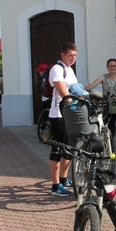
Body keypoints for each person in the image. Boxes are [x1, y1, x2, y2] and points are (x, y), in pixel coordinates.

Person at [48, 42, 78, 196]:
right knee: (58, 149)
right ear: (63, 55)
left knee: (69, 149)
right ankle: (55, 185)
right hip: (59, 115)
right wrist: (72, 101)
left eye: (75, 56)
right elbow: (63, 92)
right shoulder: (57, 69)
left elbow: (76, 89)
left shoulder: (70, 70)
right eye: (70, 55)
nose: (73, 58)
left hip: (70, 116)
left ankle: (64, 179)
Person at [84, 58, 116, 149]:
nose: (112, 68)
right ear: (107, 67)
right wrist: (82, 90)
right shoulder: (103, 77)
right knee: (110, 131)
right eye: (110, 66)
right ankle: (111, 151)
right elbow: (93, 84)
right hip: (109, 109)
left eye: (114, 66)